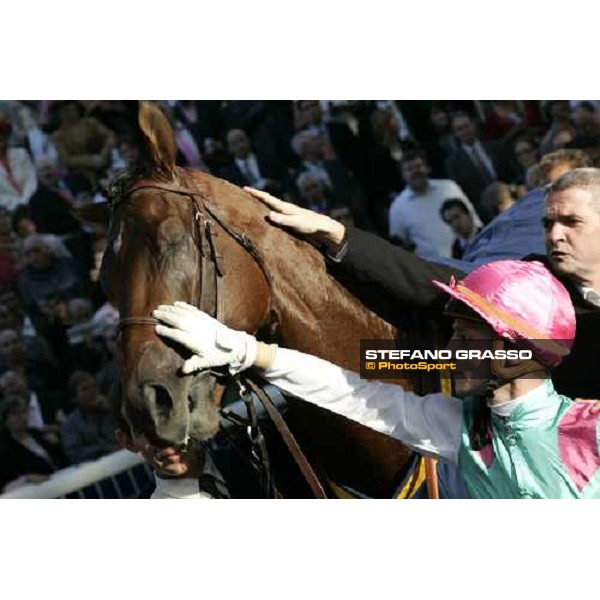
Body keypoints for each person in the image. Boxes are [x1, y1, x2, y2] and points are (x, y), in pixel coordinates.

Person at [151, 259, 600, 499]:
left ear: (514, 347)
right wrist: (248, 351)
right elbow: (354, 391)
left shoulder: (590, 428)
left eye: (464, 335)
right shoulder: (457, 426)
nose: (448, 349)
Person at [388, 149, 482, 257]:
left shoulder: (449, 187)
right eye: (409, 169)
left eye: (419, 166)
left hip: (473, 254)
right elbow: (399, 248)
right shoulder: (397, 208)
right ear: (403, 175)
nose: (416, 172)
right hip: (436, 270)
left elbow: (473, 216)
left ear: (427, 168)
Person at [0, 396, 67, 493]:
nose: (23, 417)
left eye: (24, 412)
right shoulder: (4, 450)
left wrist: (56, 445)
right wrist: (24, 479)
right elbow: (4, 485)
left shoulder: (39, 435)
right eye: (16, 414)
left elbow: (62, 460)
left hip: (62, 485)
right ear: (5, 420)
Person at [60, 371, 118, 464]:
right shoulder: (70, 424)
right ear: (75, 399)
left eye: (94, 386)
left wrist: (114, 409)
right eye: (85, 389)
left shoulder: (112, 407)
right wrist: (104, 449)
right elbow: (75, 454)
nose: (92, 391)